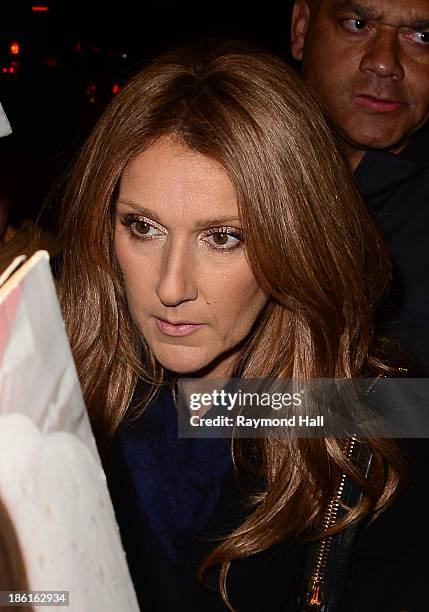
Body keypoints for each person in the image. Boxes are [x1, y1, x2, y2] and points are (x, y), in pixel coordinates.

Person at [56, 40, 426, 612]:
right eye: (143, 227)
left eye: (223, 236)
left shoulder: (377, 420)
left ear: (294, 243)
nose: (171, 286)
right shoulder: (55, 392)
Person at [290, 0, 429, 369]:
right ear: (301, 29)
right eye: (356, 23)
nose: (384, 62)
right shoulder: (223, 177)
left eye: (422, 36)